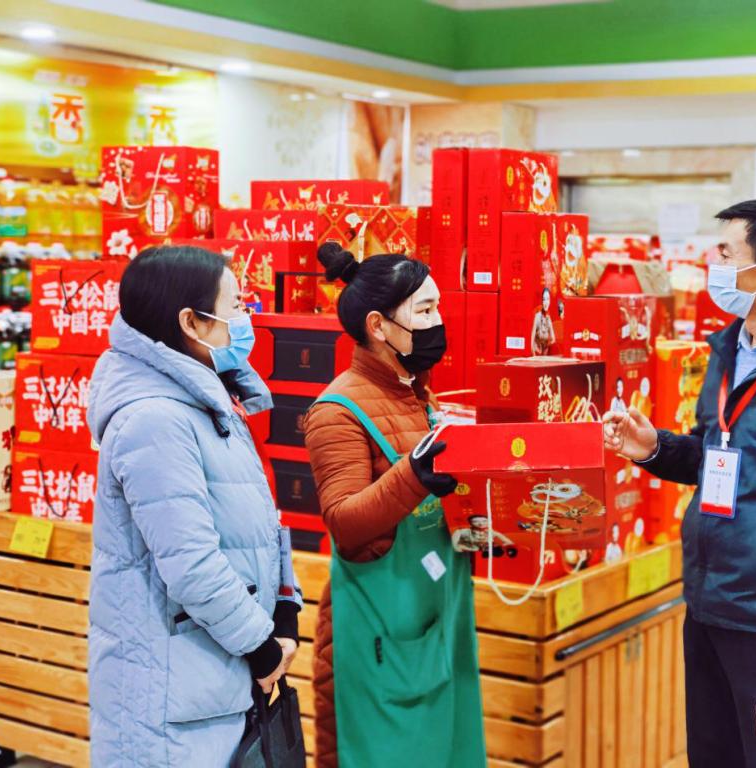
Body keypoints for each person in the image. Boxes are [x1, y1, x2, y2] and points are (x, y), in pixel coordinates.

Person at [603, 198, 756, 768]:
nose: (713, 266)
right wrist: (654, 448)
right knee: (711, 751)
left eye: (726, 253)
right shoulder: (726, 349)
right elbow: (719, 455)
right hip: (706, 596)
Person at [87, 246, 303, 767]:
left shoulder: (207, 402)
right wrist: (261, 647)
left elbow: (255, 520)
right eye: (236, 306)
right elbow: (192, 563)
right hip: (171, 698)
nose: (245, 320)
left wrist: (285, 605)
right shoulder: (154, 421)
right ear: (191, 322)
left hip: (214, 680)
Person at [305, 243, 485, 768]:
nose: (438, 322)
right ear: (379, 326)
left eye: (438, 307)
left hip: (439, 625)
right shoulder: (336, 412)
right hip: (379, 642)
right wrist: (414, 475)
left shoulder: (417, 395)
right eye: (424, 311)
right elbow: (344, 521)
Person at [532, 286, 557, 356]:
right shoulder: (537, 316)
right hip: (537, 352)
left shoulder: (548, 318)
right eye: (544, 299)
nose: (546, 302)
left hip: (544, 353)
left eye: (548, 299)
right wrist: (534, 350)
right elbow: (532, 339)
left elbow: (553, 339)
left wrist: (546, 345)